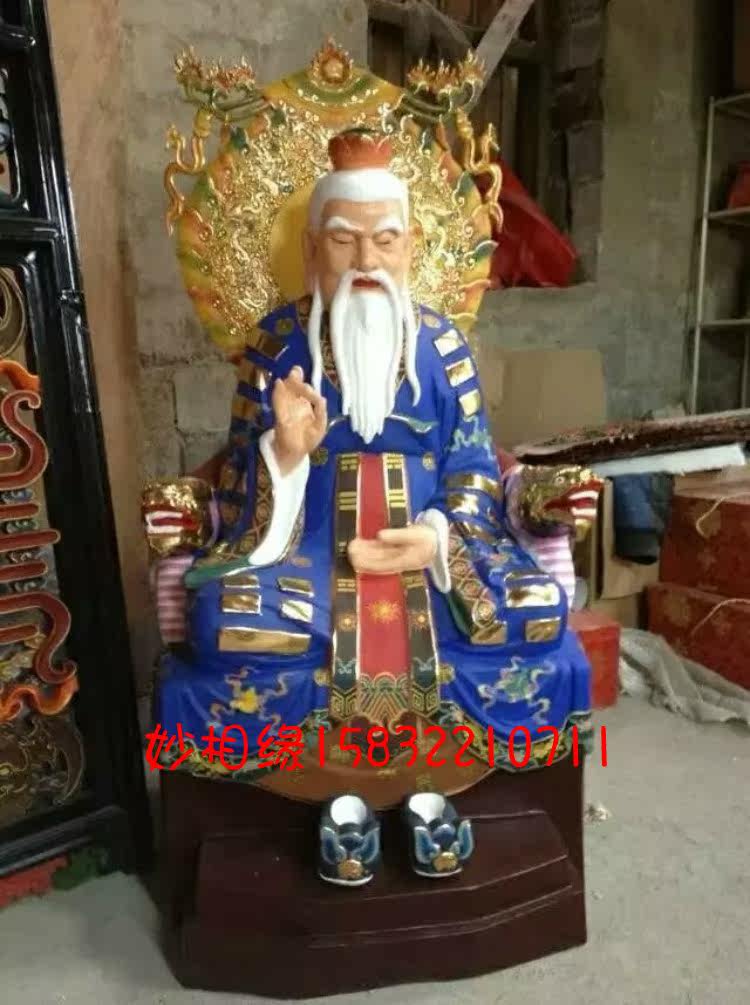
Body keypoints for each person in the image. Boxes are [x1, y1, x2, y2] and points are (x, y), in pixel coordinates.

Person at [146, 129, 592, 780]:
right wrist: (283, 454)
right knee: (219, 621)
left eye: (384, 240)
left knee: (537, 608)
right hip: (306, 554)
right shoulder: (276, 345)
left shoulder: (444, 349)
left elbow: (473, 468)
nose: (365, 260)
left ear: (411, 246)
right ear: (310, 249)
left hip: (437, 561)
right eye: (342, 240)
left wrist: (435, 539)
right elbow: (237, 477)